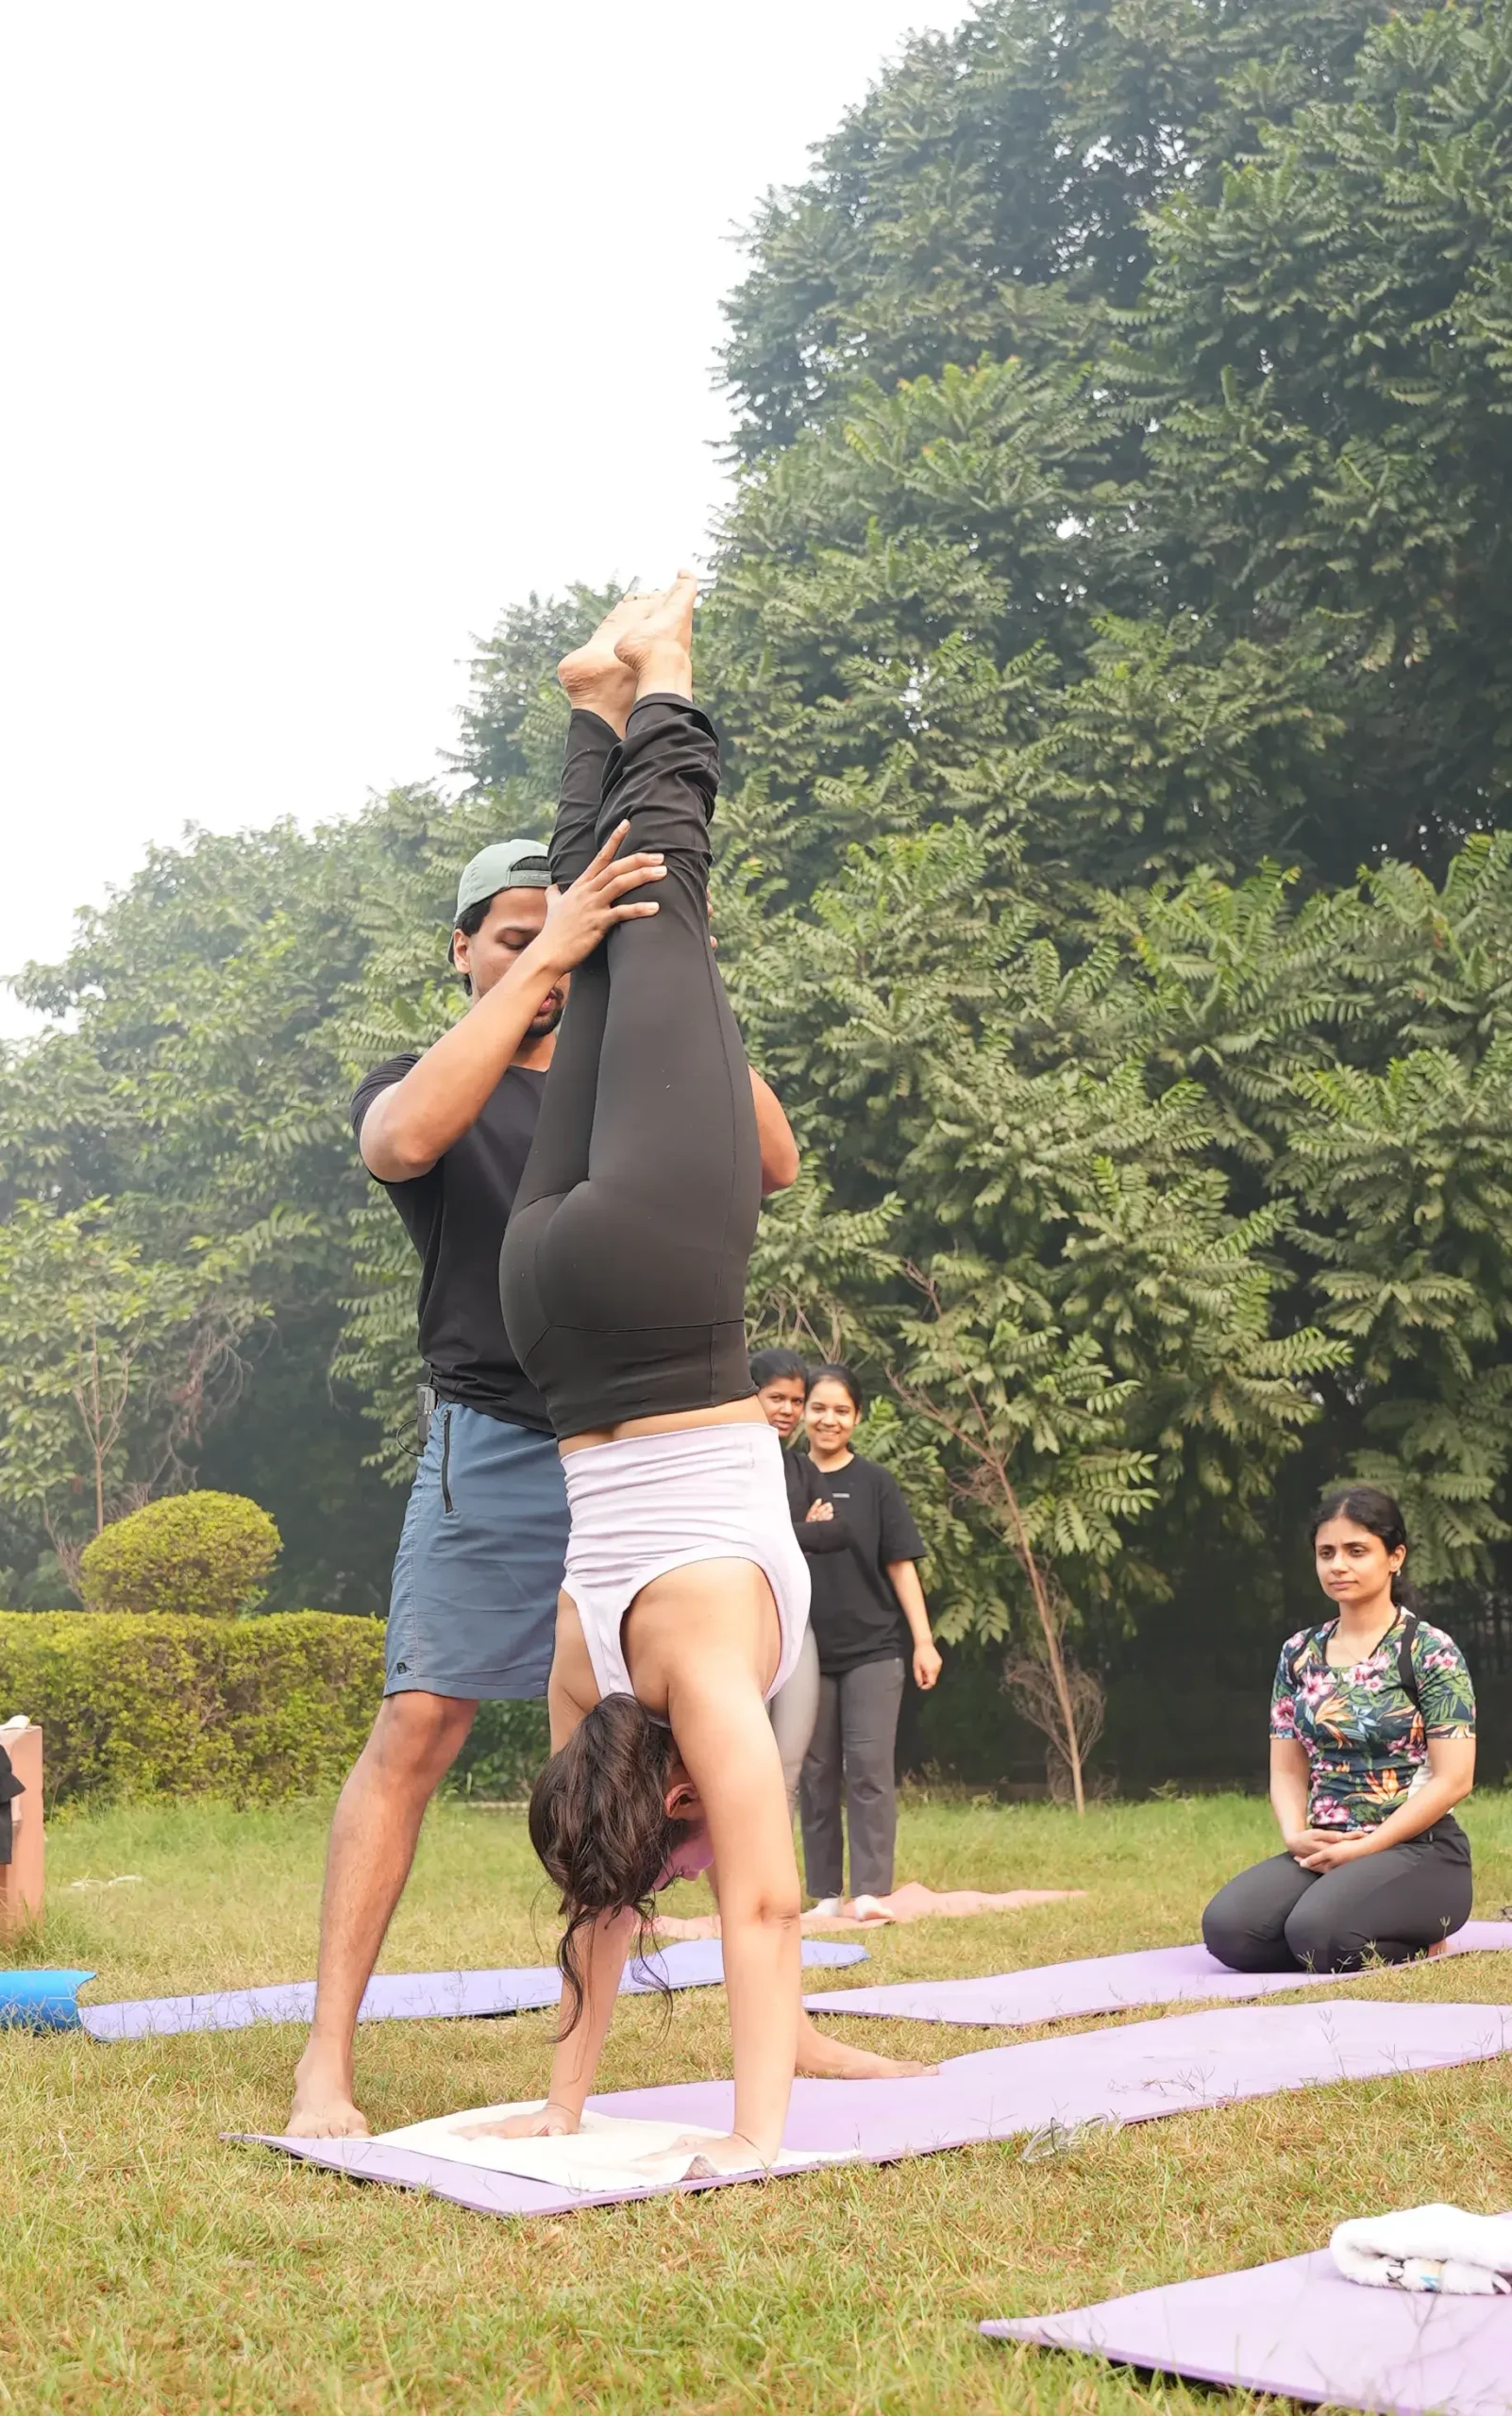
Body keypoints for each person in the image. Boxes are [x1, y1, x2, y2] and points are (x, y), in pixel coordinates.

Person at [288, 593, 801, 2140]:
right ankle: (327, 2058)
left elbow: (765, 1157)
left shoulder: (584, 1054)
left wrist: (646, 1001)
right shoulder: (433, 1066)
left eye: (549, 927)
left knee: (631, 1777)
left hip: (599, 1398)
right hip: (517, 1435)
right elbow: (401, 1141)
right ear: (463, 954)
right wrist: (583, 957)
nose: (544, 948)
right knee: (426, 1729)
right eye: (511, 936)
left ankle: (620, 696)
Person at [480, 571, 908, 2175]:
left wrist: (752, 2135)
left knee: (659, 920)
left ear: (650, 1799)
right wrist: (567, 2100)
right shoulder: (580, 1685)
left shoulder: (691, 1679)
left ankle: (664, 683)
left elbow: (762, 1894)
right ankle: (598, 708)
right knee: (594, 967)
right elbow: (611, 1894)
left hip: (659, 1294)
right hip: (552, 1319)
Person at [1201, 1485, 1476, 1972]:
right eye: (1326, 1553)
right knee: (1229, 1929)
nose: (1338, 1565)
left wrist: (1367, 1847)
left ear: (1395, 1557)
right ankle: (1326, 1928)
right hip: (1327, 1844)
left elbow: (1455, 1779)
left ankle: (1420, 1938)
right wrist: (1294, 1835)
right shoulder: (1299, 1654)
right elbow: (1287, 1771)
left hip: (1420, 1852)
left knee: (1318, 1934)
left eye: (1356, 1551)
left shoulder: (1428, 1651)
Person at [796, 1364, 941, 1910]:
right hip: (804, 1652)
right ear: (803, 1412)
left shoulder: (876, 1483)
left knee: (870, 1771)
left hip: (874, 1651)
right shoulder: (784, 1479)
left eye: (841, 1410)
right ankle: (826, 1895)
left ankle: (871, 1892)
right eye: (818, 1407)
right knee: (815, 1776)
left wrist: (923, 1641)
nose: (828, 1419)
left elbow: (901, 1565)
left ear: (856, 1418)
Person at [749, 1343, 841, 1804]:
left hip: (795, 1624)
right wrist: (805, 1528)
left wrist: (787, 1533)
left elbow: (836, 1534)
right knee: (744, 1765)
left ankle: (777, 1879)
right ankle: (731, 1877)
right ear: (752, 1397)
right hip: (740, 1625)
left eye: (796, 1401)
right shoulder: (731, 1464)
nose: (788, 1410)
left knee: (787, 1768)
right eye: (777, 1398)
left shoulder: (801, 1467)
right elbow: (750, 1537)